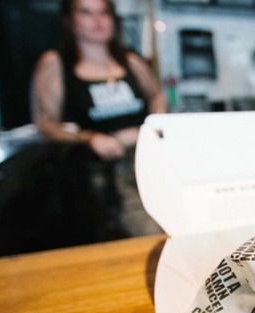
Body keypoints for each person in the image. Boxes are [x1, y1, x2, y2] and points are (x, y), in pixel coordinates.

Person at [31, 0, 166, 239]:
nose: (97, 20)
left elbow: (157, 96)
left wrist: (149, 128)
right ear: (70, 20)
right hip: (101, 176)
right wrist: (91, 138)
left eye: (104, 13)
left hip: (148, 162)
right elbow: (46, 124)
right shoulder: (56, 63)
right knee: (146, 236)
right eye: (86, 12)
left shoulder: (130, 61)